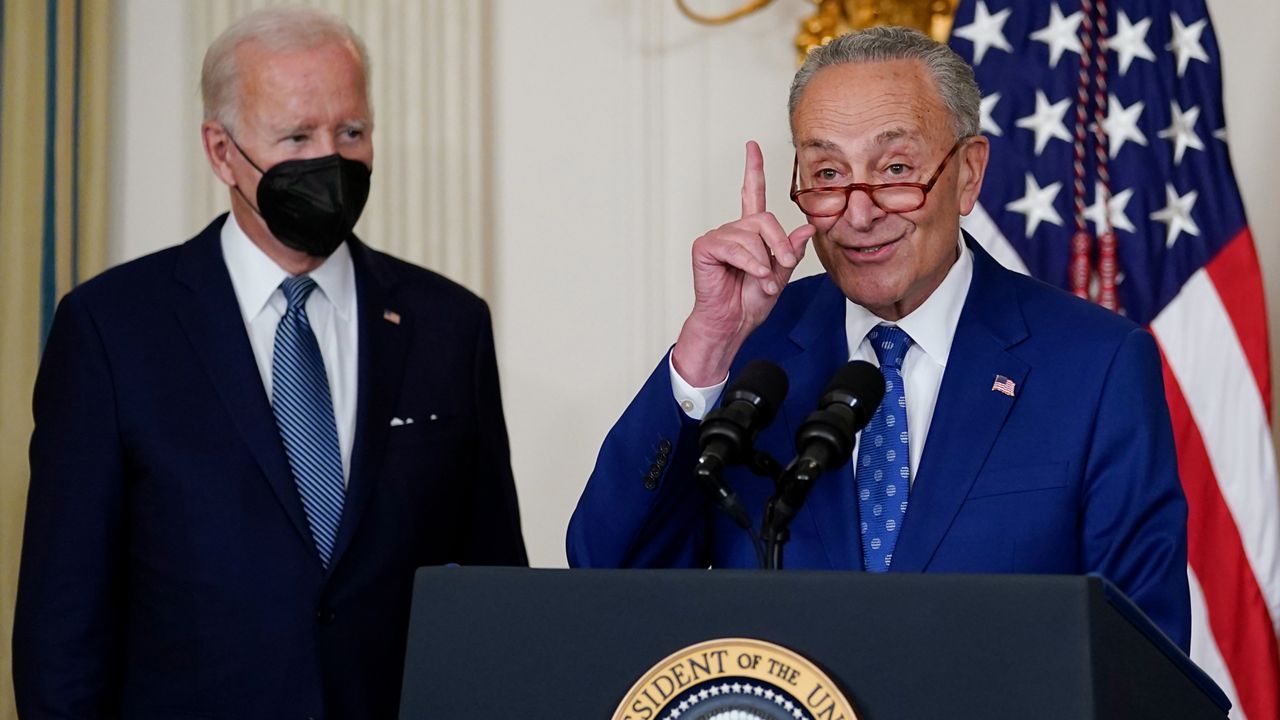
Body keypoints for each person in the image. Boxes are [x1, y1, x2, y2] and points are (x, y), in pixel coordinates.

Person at [567, 26, 1190, 651]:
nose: (859, 214)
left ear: (968, 174)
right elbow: (606, 578)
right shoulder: (749, 352)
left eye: (895, 169)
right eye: (828, 174)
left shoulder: (1095, 366)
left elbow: (1142, 662)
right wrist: (705, 349)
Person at [13, 7, 526, 718]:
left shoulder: (449, 324)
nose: (331, 160)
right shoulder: (112, 330)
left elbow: (495, 595)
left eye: (351, 132)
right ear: (221, 152)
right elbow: (61, 628)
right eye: (296, 136)